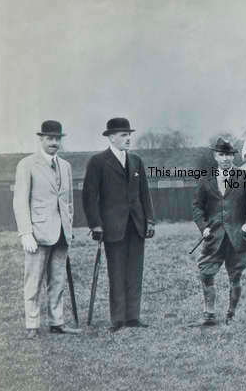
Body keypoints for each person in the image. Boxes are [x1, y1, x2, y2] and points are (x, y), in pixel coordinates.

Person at [82, 117, 155, 332]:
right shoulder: (97, 162)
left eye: (129, 134)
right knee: (117, 272)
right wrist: (95, 224)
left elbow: (145, 193)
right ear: (111, 137)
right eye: (124, 135)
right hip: (112, 227)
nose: (128, 138)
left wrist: (149, 220)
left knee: (135, 272)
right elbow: (89, 196)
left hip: (136, 225)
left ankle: (133, 317)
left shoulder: (136, 161)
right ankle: (118, 319)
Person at [13, 120, 81, 338]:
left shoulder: (66, 166)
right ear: (41, 139)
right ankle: (32, 324)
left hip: (61, 233)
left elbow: (68, 201)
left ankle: (57, 322)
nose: (54, 142)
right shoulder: (27, 165)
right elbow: (20, 201)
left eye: (57, 138)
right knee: (33, 280)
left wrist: (69, 226)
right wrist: (25, 232)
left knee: (57, 280)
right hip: (38, 234)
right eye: (49, 138)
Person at [191, 138, 246, 326]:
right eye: (221, 155)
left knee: (235, 275)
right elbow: (197, 207)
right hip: (214, 237)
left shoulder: (245, 177)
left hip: (238, 236)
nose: (225, 159)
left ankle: (231, 314)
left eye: (229, 155)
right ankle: (209, 315)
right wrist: (204, 227)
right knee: (206, 273)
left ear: (234, 157)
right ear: (215, 156)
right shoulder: (205, 179)